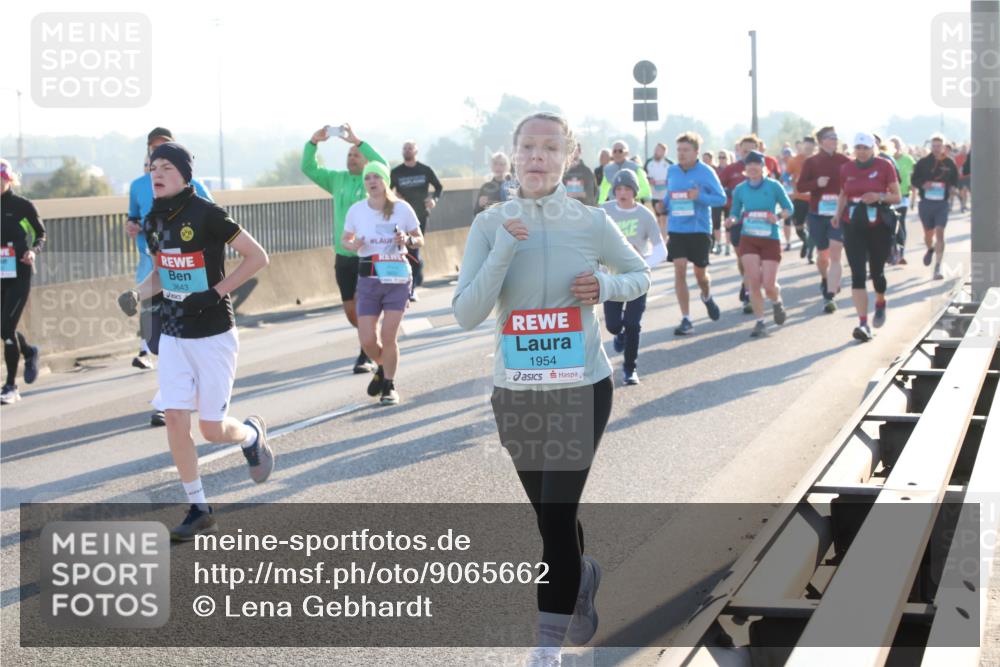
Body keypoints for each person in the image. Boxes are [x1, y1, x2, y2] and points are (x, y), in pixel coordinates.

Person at [453, 112, 650, 667]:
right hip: (515, 393)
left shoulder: (590, 221)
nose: (538, 157)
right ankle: (581, 573)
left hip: (580, 387)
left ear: (568, 157)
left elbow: (639, 274)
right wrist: (503, 251)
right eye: (528, 147)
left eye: (550, 148)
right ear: (513, 154)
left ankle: (546, 650)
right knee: (548, 516)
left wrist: (605, 285)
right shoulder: (492, 222)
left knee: (558, 516)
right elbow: (466, 312)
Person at [116, 142, 274, 540]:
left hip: (214, 335)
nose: (157, 172)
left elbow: (257, 257)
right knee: (173, 417)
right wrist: (137, 293)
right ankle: (199, 507)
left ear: (185, 174)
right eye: (153, 166)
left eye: (166, 166)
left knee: (212, 429)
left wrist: (216, 291)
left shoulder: (207, 213)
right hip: (173, 334)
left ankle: (252, 436)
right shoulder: (153, 220)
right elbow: (160, 273)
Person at [128, 127, 213, 427]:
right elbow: (134, 216)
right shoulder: (139, 185)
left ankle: (170, 400)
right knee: (157, 340)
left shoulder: (197, 189)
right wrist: (133, 225)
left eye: (166, 155)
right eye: (154, 155)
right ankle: (177, 393)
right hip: (154, 267)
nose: (159, 167)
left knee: (175, 339)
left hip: (191, 276)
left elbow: (213, 220)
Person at [302, 123, 387, 374]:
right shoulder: (336, 180)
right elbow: (309, 167)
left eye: (356, 155)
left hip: (368, 254)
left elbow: (383, 163)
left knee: (364, 307)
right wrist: (313, 143)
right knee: (351, 311)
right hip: (344, 255)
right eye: (349, 154)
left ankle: (367, 354)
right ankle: (371, 342)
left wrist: (358, 141)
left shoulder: (372, 181)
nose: (351, 158)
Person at [343, 162, 424, 406]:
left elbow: (419, 239)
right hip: (368, 278)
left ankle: (389, 385)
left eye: (376, 176)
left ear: (385, 180)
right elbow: (345, 239)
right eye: (367, 178)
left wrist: (407, 239)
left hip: (397, 278)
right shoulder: (357, 210)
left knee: (389, 336)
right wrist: (353, 244)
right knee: (367, 339)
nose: (371, 181)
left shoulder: (402, 208)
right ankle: (382, 366)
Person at [833, 132, 902, 342]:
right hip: (853, 223)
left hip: (878, 224)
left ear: (873, 148)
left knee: (877, 272)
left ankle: (880, 301)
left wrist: (879, 196)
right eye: (858, 148)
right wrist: (837, 215)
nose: (861, 152)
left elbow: (897, 196)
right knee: (857, 274)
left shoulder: (884, 166)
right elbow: (843, 193)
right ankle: (863, 323)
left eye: (865, 147)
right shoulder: (846, 168)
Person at [600, 169, 665, 384]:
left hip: (637, 278)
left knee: (633, 324)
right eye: (618, 189)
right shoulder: (604, 211)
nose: (622, 193)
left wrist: (642, 263)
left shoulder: (645, 215)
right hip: (612, 278)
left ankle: (630, 369)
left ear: (635, 191)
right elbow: (591, 241)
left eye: (627, 188)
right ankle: (619, 335)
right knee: (613, 325)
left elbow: (661, 250)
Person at [665, 132, 727, 335]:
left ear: (696, 151)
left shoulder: (706, 172)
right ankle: (686, 319)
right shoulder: (672, 171)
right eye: (679, 150)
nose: (681, 154)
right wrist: (662, 204)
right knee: (679, 268)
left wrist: (699, 196)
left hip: (699, 229)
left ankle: (707, 296)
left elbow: (721, 199)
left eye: (686, 150)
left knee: (700, 275)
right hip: (677, 229)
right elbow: (670, 194)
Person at [726, 151, 793, 337]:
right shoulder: (740, 189)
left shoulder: (774, 186)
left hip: (770, 238)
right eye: (749, 166)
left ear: (763, 167)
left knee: (769, 285)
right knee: (754, 282)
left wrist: (778, 216)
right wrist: (731, 219)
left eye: (757, 166)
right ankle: (760, 322)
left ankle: (776, 301)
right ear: (745, 169)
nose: (753, 169)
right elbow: (735, 211)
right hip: (749, 238)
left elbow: (790, 208)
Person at [1, 159, 45, 405]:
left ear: (9, 180)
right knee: (2, 326)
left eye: (1, 179)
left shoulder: (21, 206)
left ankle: (10, 386)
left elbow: (41, 233)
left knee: (6, 328)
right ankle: (29, 351)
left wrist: (33, 252)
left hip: (19, 272)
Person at [797, 126, 851, 313]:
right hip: (817, 215)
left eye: (836, 137)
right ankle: (826, 279)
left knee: (836, 253)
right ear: (821, 141)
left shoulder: (844, 161)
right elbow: (801, 186)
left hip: (838, 214)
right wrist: (816, 183)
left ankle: (829, 295)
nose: (834, 140)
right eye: (830, 137)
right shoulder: (811, 162)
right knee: (823, 256)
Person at [390, 141, 442, 302]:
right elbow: (387, 191)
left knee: (414, 249)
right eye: (404, 148)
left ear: (416, 151)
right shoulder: (396, 172)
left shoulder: (424, 170)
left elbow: (439, 187)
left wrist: (433, 199)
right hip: (401, 215)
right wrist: (394, 197)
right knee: (404, 250)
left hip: (420, 215)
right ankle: (409, 285)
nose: (407, 150)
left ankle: (413, 284)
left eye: (410, 148)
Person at [911, 134, 960, 280]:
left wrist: (952, 189)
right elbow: (914, 180)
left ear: (944, 147)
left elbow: (955, 180)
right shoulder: (923, 162)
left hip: (941, 204)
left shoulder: (949, 163)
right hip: (926, 203)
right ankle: (930, 248)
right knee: (928, 235)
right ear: (930, 147)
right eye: (934, 146)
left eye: (939, 146)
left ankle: (937, 267)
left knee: (940, 232)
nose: (936, 149)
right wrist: (923, 184)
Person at [785, 136, 816, 262]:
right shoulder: (794, 160)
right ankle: (806, 242)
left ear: (814, 148)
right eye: (806, 147)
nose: (808, 149)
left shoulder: (817, 160)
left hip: (814, 199)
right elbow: (785, 175)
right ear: (802, 146)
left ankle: (810, 255)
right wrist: (790, 181)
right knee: (798, 228)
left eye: (810, 147)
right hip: (799, 198)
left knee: (813, 227)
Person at [889, 136, 915, 266]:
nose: (895, 147)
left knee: (900, 222)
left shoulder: (908, 159)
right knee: (890, 225)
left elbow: (915, 173)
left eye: (897, 145)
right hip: (889, 196)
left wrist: (913, 186)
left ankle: (901, 253)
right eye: (892, 145)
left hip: (903, 195)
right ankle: (892, 251)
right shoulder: (886, 159)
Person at [645, 142, 673, 230]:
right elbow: (644, 177)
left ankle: (664, 240)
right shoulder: (649, 163)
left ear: (664, 152)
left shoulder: (670, 164)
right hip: (654, 194)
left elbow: (674, 178)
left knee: (664, 218)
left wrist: (667, 182)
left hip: (666, 195)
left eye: (658, 150)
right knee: (658, 218)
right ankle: (662, 237)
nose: (656, 152)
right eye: (655, 150)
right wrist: (649, 180)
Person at [712, 150, 733, 255]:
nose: (721, 159)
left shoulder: (731, 170)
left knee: (728, 223)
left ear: (728, 158)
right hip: (717, 200)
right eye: (720, 157)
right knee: (716, 223)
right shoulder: (715, 170)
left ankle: (728, 245)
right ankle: (719, 244)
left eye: (723, 157)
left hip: (729, 200)